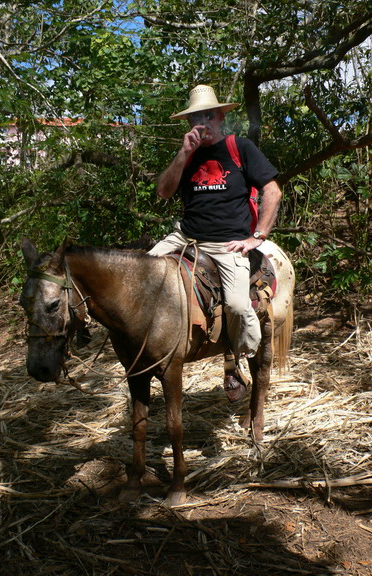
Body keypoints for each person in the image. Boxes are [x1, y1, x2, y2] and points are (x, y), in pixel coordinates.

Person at [149, 84, 282, 402]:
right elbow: (163, 192)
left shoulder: (241, 147)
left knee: (237, 304)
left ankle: (238, 357)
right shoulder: (188, 155)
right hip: (186, 236)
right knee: (142, 271)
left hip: (226, 243)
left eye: (209, 115)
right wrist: (183, 154)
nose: (202, 122)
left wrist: (257, 236)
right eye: (196, 117)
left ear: (221, 117)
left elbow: (273, 191)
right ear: (189, 122)